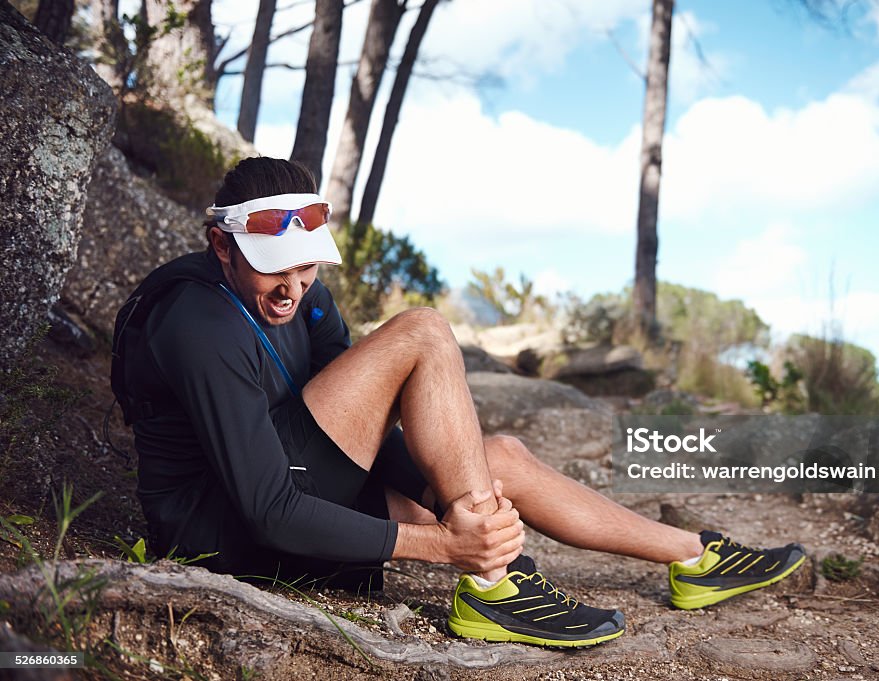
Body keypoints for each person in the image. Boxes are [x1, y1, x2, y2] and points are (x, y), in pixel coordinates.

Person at [113, 157, 806, 649]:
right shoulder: (196, 323)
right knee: (423, 330)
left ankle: (693, 558)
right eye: (275, 266)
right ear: (221, 246)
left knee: (496, 458)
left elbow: (350, 428)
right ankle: (493, 588)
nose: (295, 287)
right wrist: (445, 544)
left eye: (307, 264)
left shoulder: (305, 296)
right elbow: (269, 509)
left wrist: (454, 495)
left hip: (292, 481)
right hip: (224, 529)